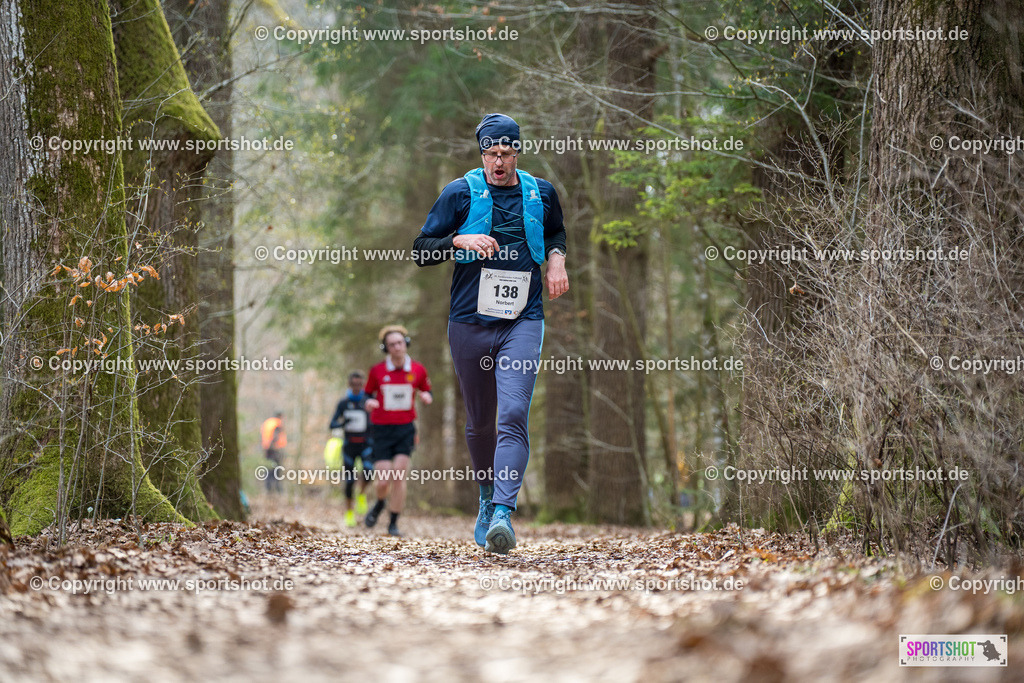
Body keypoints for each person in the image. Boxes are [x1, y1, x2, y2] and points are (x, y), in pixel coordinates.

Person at [412, 113, 569, 554]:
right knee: (480, 422)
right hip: (469, 323)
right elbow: (421, 251)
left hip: (524, 319)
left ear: (518, 150)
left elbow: (556, 231)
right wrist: (458, 241)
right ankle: (485, 496)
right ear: (481, 153)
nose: (499, 161)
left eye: (506, 152)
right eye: (490, 153)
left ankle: (503, 511)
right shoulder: (458, 194)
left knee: (513, 412)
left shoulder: (541, 193)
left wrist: (556, 260)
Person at [363, 325, 433, 537]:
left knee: (398, 477)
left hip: (405, 428)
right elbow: (367, 395)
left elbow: (425, 388)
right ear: (386, 348)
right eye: (392, 344)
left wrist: (426, 396)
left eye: (400, 343)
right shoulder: (377, 371)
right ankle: (379, 503)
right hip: (382, 429)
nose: (396, 347)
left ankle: (393, 523)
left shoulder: (418, 369)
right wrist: (370, 403)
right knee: (383, 480)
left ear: (406, 343)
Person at [328, 371, 374, 527]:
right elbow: (332, 424)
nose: (356, 387)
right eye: (353, 384)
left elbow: (378, 419)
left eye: (359, 384)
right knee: (349, 481)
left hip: (366, 445)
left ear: (362, 385)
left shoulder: (368, 401)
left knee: (368, 472)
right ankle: (349, 513)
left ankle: (361, 495)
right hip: (349, 446)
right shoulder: (343, 403)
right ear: (349, 384)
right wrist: (342, 423)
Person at [260, 411, 287, 493]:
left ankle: (268, 489)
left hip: (267, 449)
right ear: (280, 416)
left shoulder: (267, 423)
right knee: (276, 469)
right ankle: (277, 489)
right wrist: (273, 446)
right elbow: (275, 436)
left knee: (269, 469)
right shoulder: (277, 424)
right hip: (274, 450)